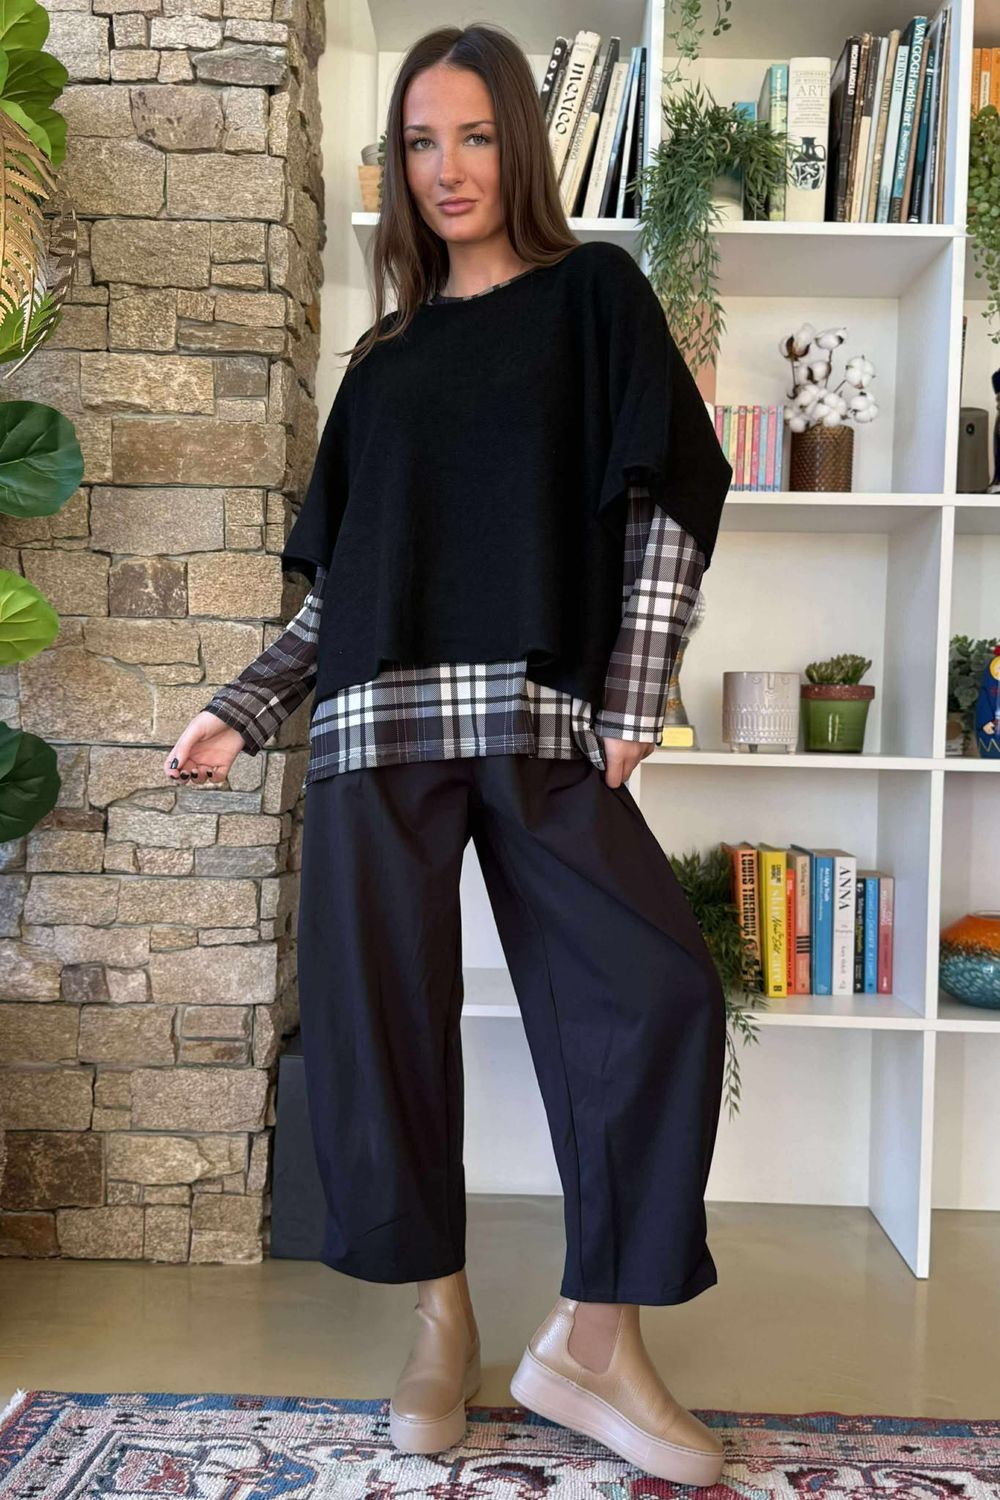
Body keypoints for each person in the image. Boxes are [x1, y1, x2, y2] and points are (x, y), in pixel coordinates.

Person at [163, 21, 733, 1487]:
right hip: (373, 735)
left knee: (656, 989)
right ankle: (442, 1320)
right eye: (420, 142)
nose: (448, 167)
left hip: (538, 721)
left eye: (474, 135)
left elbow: (667, 499)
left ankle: (594, 1340)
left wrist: (633, 698)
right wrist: (241, 707)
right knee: (384, 1027)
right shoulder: (385, 359)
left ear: (519, 145)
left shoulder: (594, 297)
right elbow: (344, 595)